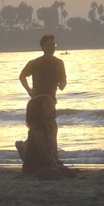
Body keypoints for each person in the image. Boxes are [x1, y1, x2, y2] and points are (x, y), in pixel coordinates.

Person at [18, 34, 67, 163]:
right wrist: (29, 90)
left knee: (50, 127)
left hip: (50, 100)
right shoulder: (35, 63)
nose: (52, 48)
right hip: (38, 100)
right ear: (43, 47)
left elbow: (63, 79)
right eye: (50, 45)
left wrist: (62, 84)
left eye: (54, 45)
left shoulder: (59, 63)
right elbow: (22, 76)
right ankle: (45, 155)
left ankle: (49, 155)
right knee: (39, 127)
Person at [21, 95, 76, 179]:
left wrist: (56, 165)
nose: (53, 109)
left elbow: (52, 152)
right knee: (56, 173)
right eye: (49, 106)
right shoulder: (37, 129)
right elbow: (44, 155)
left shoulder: (52, 125)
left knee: (71, 173)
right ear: (39, 111)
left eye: (53, 105)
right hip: (34, 166)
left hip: (47, 164)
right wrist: (55, 167)